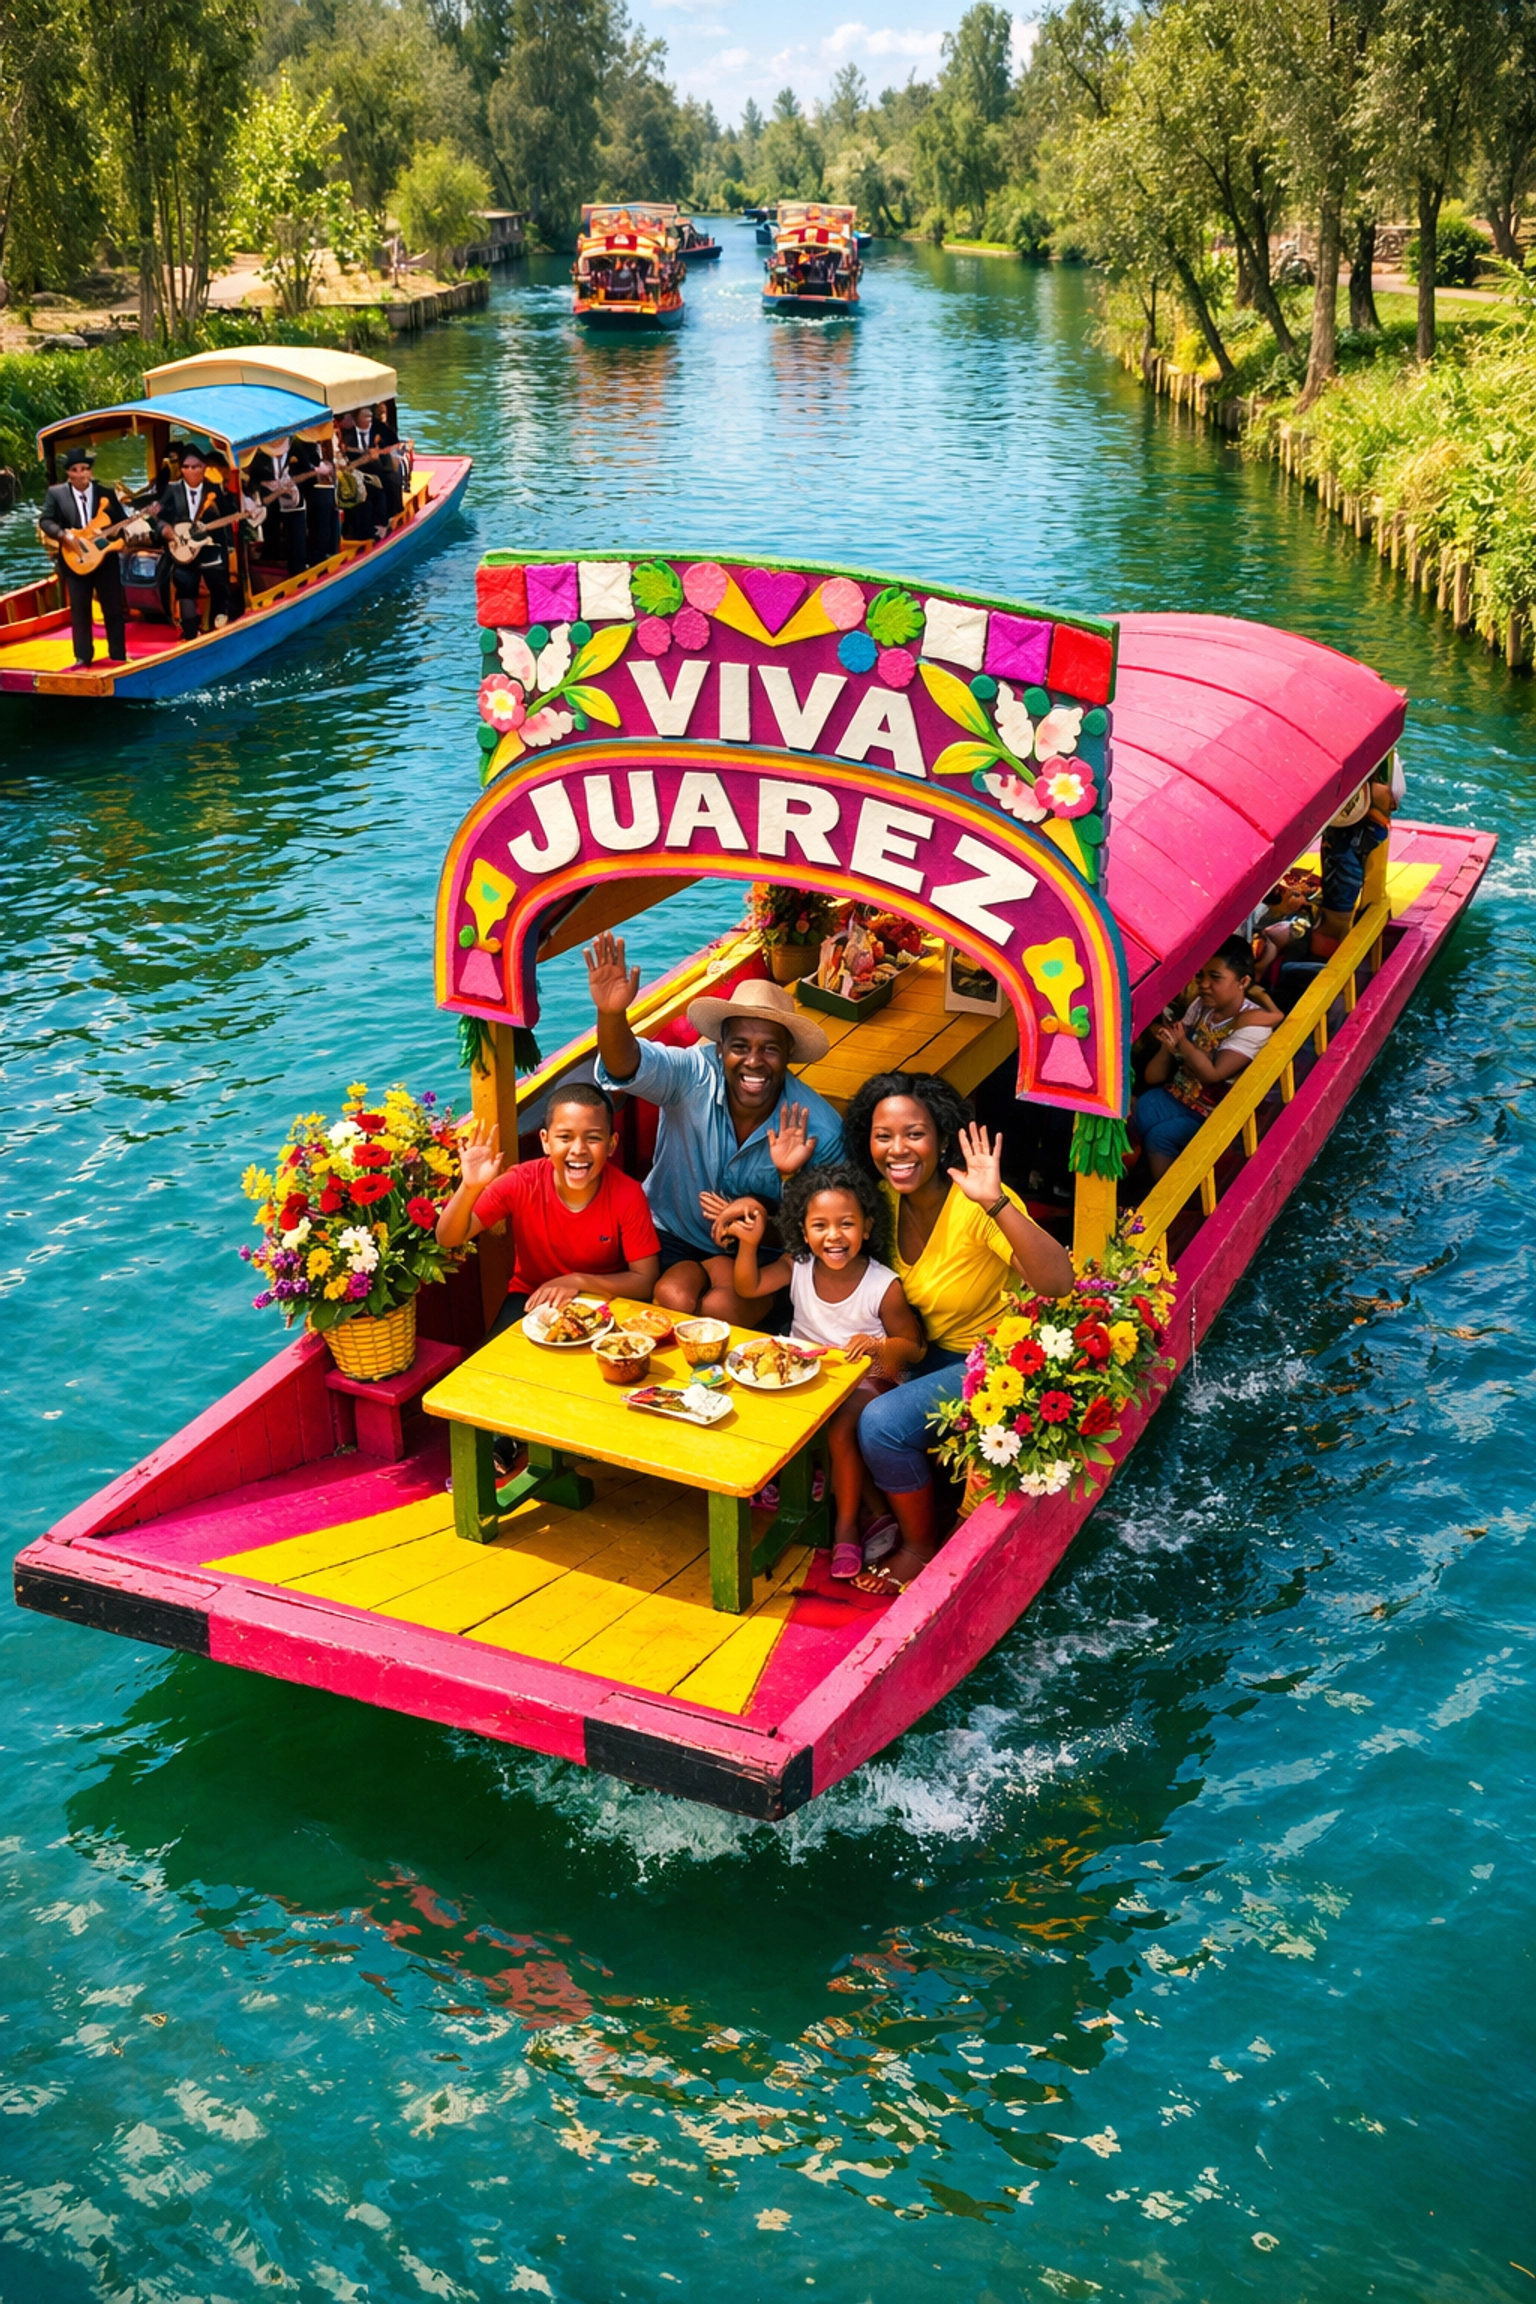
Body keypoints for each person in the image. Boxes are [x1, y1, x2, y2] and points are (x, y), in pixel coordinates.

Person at [845, 1072, 1076, 1597]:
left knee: (882, 1421)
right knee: (845, 1394)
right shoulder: (879, 1197)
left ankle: (920, 1547)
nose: (897, 1149)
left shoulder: (976, 1202)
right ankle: (859, 1518)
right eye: (884, 1136)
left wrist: (996, 1202)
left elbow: (1058, 1282)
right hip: (917, 1349)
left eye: (914, 1134)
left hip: (984, 1358)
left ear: (942, 1137)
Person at [586, 930, 846, 1323]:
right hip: (670, 1237)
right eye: (740, 1046)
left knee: (720, 1309)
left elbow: (826, 1235)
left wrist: (755, 1222)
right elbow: (628, 1066)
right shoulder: (692, 1071)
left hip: (765, 1255)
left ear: (789, 1054)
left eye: (770, 1049)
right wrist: (610, 1014)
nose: (754, 1061)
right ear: (719, 1048)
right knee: (673, 1296)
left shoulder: (821, 1127)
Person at [718, 1162, 925, 1579]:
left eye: (846, 1224)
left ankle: (845, 1525)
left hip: (869, 1378)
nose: (834, 1236)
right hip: (812, 1374)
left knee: (841, 1425)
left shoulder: (882, 1285)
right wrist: (749, 1244)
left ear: (867, 1227)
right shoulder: (798, 1266)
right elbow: (747, 1287)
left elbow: (914, 1349)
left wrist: (880, 1346)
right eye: (821, 1226)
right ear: (804, 1230)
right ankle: (814, 1492)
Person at [434, 1081, 660, 1335]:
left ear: (611, 1144)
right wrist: (470, 1187)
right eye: (565, 1137)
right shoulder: (521, 1181)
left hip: (603, 1298)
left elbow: (645, 1281)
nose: (578, 1149)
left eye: (593, 1138)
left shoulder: (627, 1194)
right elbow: (447, 1238)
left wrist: (576, 1281)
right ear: (545, 1141)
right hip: (531, 1296)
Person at [1133, 937, 1274, 1179]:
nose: (1204, 985)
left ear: (1243, 981)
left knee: (1160, 1137)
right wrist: (1168, 1046)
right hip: (1178, 1095)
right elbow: (1153, 1076)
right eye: (1200, 976)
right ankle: (1138, 1178)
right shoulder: (1201, 1005)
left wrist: (1182, 1043)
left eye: (1215, 978)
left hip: (1212, 1115)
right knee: (1144, 1106)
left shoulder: (1254, 1026)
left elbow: (1213, 1075)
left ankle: (1170, 1201)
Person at [38, 447, 135, 666]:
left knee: (113, 608)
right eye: (75, 470)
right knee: (80, 609)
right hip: (74, 558)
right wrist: (63, 535)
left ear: (90, 471)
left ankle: (118, 654)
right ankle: (83, 657)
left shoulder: (106, 493)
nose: (81, 474)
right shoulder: (56, 493)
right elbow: (46, 521)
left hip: (104, 559)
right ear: (69, 473)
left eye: (84, 469)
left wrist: (120, 536)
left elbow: (120, 522)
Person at [1313, 757, 1401, 957]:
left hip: (1350, 843)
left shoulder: (1377, 794)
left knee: (1338, 909)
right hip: (1352, 839)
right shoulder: (1380, 790)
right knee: (1338, 902)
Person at [156, 444, 238, 640]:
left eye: (196, 466)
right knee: (185, 586)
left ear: (204, 468)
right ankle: (190, 633)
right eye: (186, 467)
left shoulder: (214, 488)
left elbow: (229, 513)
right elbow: (158, 518)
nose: (191, 471)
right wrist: (163, 528)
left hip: (210, 544)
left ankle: (219, 626)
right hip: (183, 546)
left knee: (218, 584)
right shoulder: (172, 489)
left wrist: (227, 498)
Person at [244, 435, 309, 578]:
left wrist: (292, 483)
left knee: (295, 535)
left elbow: (307, 472)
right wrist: (266, 484)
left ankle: (298, 570)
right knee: (270, 532)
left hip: (293, 500)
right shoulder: (261, 454)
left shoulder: (296, 448)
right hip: (271, 501)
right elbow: (255, 478)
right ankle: (271, 567)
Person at [291, 426, 339, 563]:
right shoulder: (300, 443)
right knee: (319, 527)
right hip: (313, 489)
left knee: (330, 522)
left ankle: (329, 551)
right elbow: (302, 467)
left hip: (329, 487)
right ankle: (317, 558)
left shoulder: (327, 442)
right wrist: (316, 470)